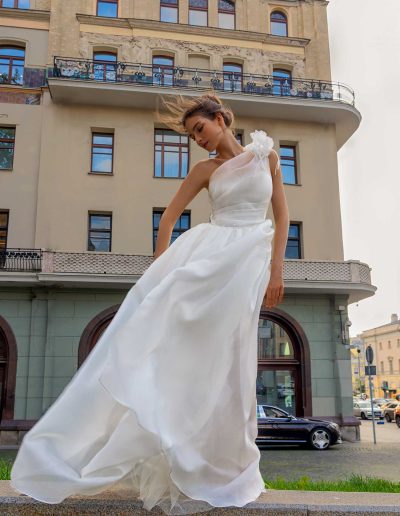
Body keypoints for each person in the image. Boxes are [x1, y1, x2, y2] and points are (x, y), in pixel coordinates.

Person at [10, 91, 290, 515]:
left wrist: (277, 270)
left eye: (200, 129)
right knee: (195, 350)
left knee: (235, 356)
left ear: (220, 119)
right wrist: (162, 263)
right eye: (192, 134)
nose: (198, 139)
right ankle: (169, 434)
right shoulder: (204, 169)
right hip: (213, 255)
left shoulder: (266, 155)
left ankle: (230, 465)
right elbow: (170, 216)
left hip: (248, 259)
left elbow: (282, 215)